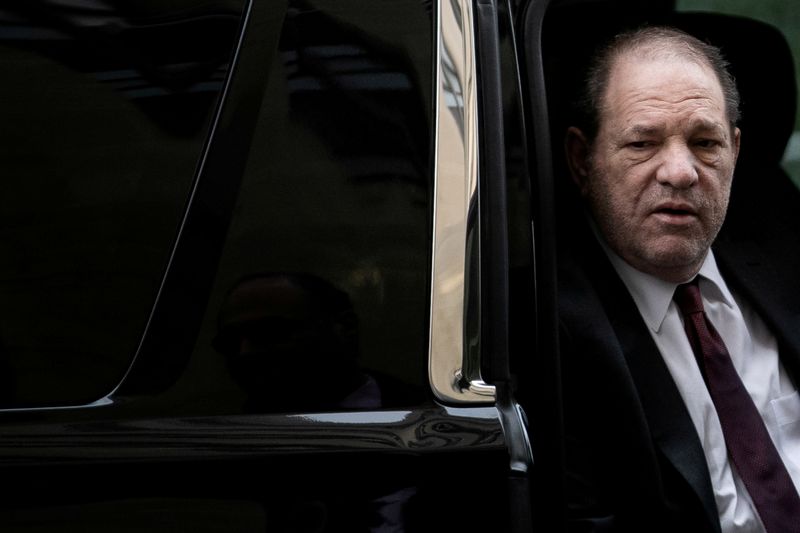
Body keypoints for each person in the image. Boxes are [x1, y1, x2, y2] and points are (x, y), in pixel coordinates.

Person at [559, 26, 800, 532]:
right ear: (583, 161)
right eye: (643, 143)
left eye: (705, 142)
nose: (681, 172)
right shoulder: (549, 334)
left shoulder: (786, 253)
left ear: (734, 151)